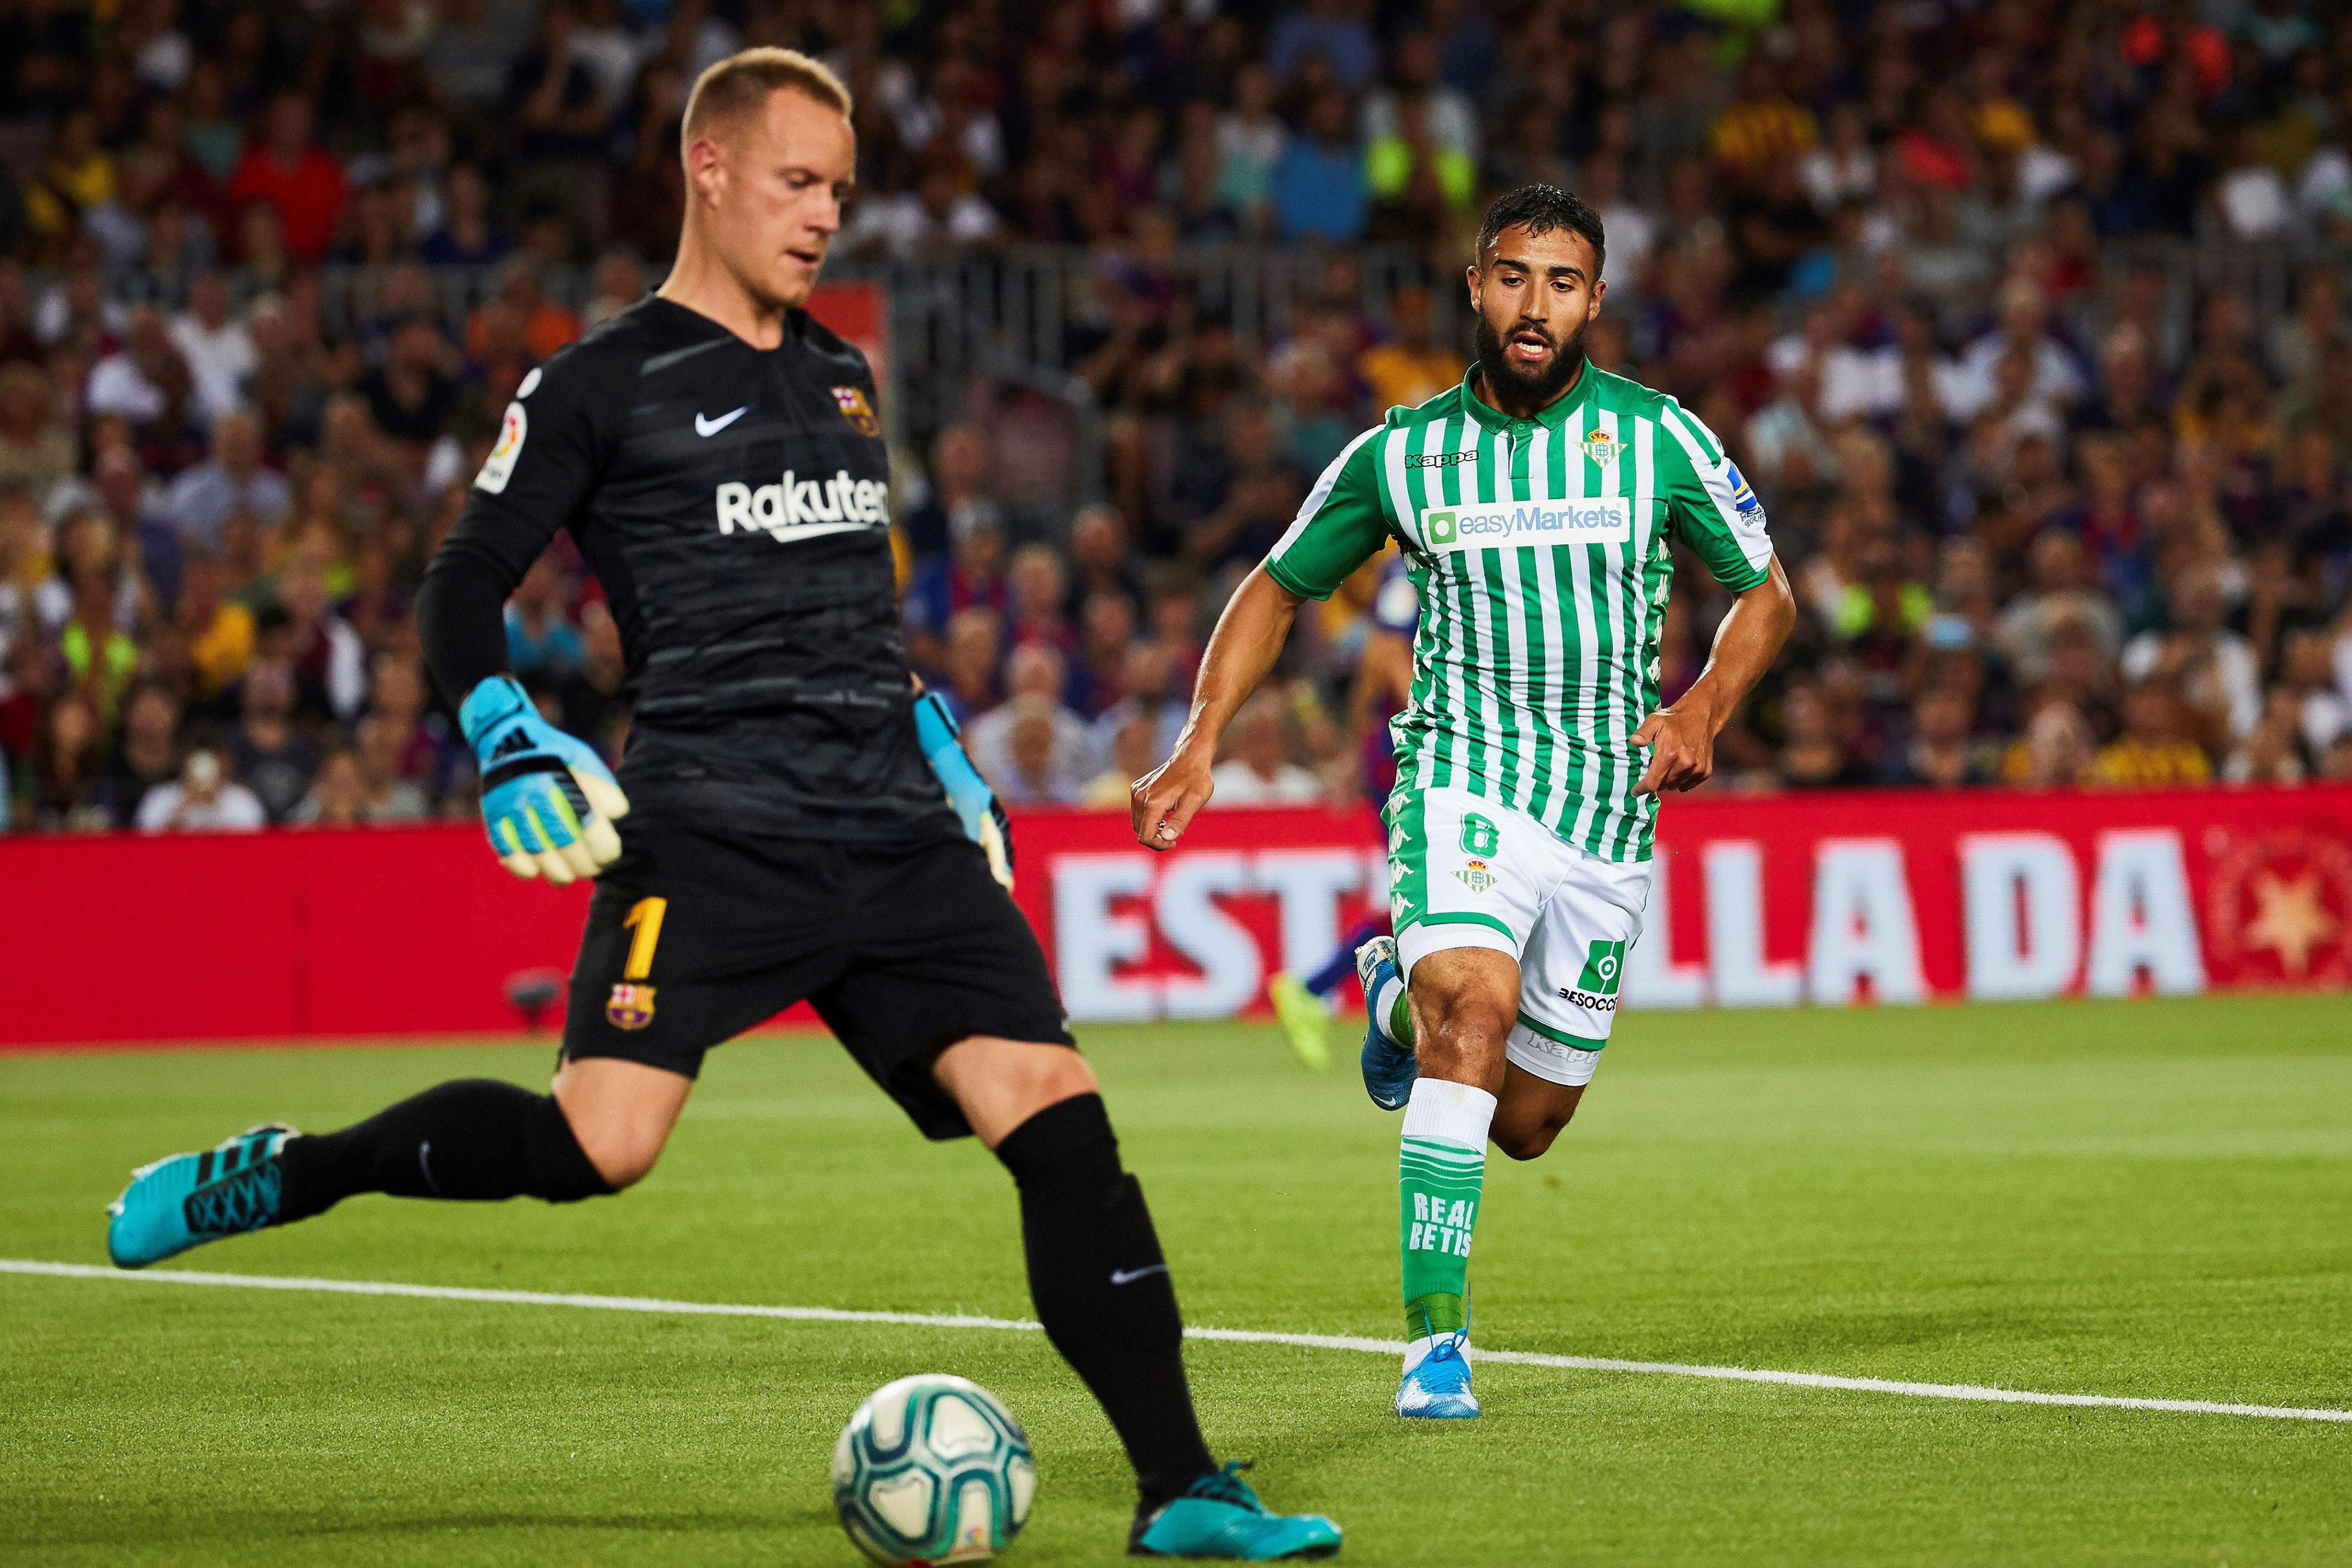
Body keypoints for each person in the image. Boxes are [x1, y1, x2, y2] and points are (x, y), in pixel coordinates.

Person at [102, 49, 1337, 1564]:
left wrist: (951, 772)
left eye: (840, 191)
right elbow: (460, 585)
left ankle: (1184, 1487)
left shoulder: (843, 377)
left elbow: (853, 623)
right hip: (710, 823)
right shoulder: (597, 383)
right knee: (600, 1143)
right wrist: (503, 724)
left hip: (890, 826)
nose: (823, 215)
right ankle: (300, 1168)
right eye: (797, 181)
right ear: (711, 168)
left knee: (1054, 1115)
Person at [1131, 185, 1795, 1422]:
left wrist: (1702, 705)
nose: (1532, 303)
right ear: (1472, 285)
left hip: (1605, 805)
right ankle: (1437, 1343)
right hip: (1461, 777)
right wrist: (1200, 737)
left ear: (1594, 300)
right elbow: (1277, 588)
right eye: (1511, 276)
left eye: (1559, 281)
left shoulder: (1657, 438)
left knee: (1528, 1120)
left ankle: (1384, 988)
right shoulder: (1401, 453)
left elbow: (1764, 596)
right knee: (1472, 1017)